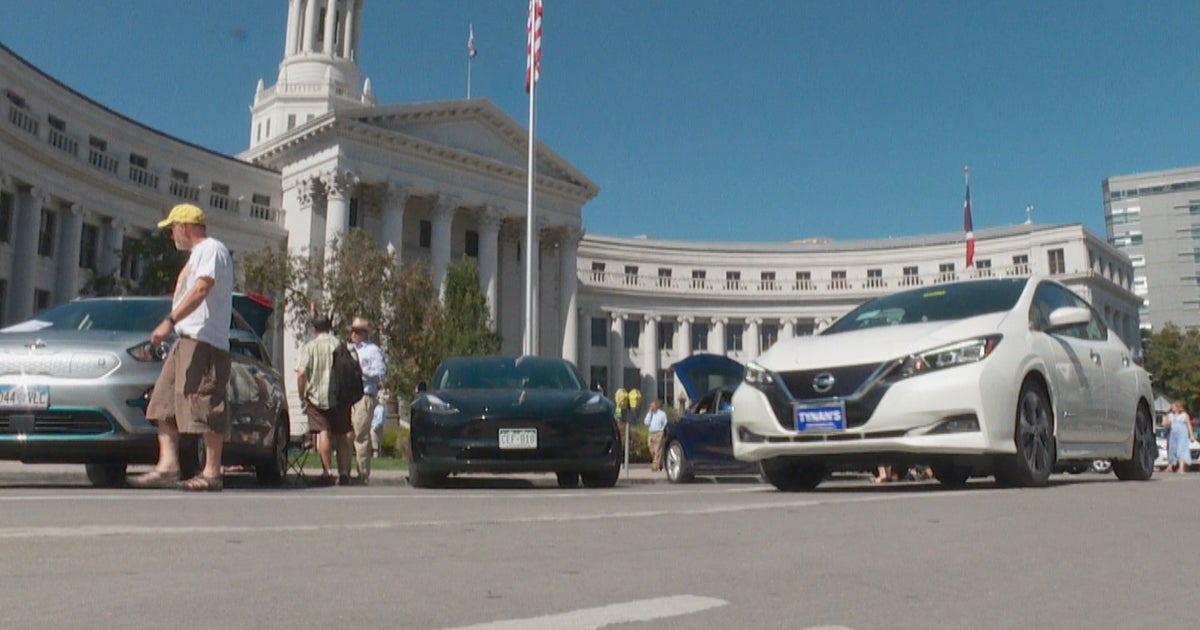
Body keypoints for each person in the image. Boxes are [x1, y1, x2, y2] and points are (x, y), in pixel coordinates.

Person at [129, 203, 233, 492]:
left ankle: (212, 473)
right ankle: (168, 466)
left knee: (205, 402)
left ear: (184, 227)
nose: (172, 235)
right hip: (185, 340)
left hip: (205, 342)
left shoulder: (211, 249)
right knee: (163, 402)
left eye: (172, 229)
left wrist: (169, 320)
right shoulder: (197, 255)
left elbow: (202, 289)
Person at [297, 315, 354, 486]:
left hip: (316, 397)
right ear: (330, 327)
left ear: (315, 329)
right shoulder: (342, 345)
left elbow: (301, 373)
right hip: (340, 397)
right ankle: (344, 473)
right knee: (342, 434)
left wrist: (302, 394)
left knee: (324, 431)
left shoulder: (309, 347)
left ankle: (327, 472)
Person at [348, 316, 386, 484]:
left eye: (357, 331)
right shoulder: (347, 349)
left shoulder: (373, 350)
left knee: (361, 435)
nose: (354, 334)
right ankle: (345, 472)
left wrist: (362, 371)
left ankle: (362, 475)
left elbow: (381, 374)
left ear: (364, 333)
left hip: (363, 396)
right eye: (352, 331)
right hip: (347, 397)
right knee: (346, 436)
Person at [1163, 400, 1193, 473]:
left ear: (1178, 407)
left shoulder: (1185, 415)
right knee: (1172, 449)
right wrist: (1166, 416)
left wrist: (1191, 435)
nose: (1172, 408)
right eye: (1171, 407)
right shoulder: (1170, 415)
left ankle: (1181, 468)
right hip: (1173, 434)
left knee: (1181, 450)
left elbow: (1189, 425)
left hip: (1182, 434)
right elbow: (1166, 425)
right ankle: (1170, 466)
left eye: (1173, 407)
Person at [643, 399, 668, 472]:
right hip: (651, 433)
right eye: (651, 406)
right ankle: (659, 463)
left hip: (659, 433)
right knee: (651, 450)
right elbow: (646, 423)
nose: (651, 407)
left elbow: (665, 423)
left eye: (653, 406)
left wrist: (663, 431)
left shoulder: (662, 414)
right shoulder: (649, 414)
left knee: (657, 450)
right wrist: (650, 413)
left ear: (656, 406)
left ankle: (655, 466)